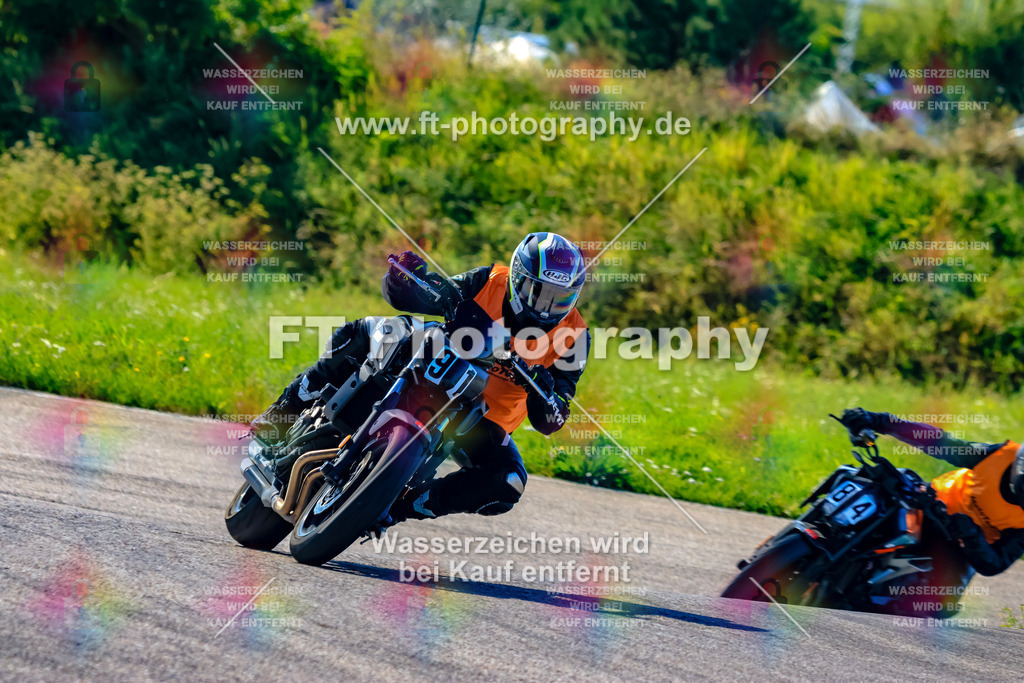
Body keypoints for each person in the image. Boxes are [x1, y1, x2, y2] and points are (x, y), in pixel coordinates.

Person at [253, 232, 591, 525]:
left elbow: (553, 417)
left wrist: (545, 393)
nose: (546, 308)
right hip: (435, 364)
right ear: (518, 278)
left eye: (558, 299)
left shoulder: (575, 336)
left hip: (476, 420)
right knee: (370, 330)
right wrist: (405, 280)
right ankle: (287, 408)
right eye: (538, 292)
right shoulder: (492, 280)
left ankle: (400, 505)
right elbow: (434, 293)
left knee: (509, 481)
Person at [841, 408, 1024, 576]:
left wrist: (971, 536)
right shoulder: (1000, 456)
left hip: (956, 546)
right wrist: (878, 420)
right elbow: (940, 442)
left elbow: (995, 563)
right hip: (925, 503)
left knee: (940, 601)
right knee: (861, 485)